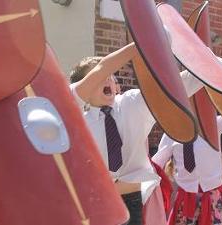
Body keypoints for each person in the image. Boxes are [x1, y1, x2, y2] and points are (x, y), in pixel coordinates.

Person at [69, 43, 166, 225]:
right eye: (97, 79)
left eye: (110, 77)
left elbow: (169, 92)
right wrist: (139, 43)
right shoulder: (77, 120)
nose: (106, 80)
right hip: (96, 205)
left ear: (117, 85)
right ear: (85, 91)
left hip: (135, 201)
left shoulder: (132, 104)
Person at [152, 58, 222, 225]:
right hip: (186, 199)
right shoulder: (172, 132)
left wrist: (221, 79)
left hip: (213, 198)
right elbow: (155, 165)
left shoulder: (215, 125)